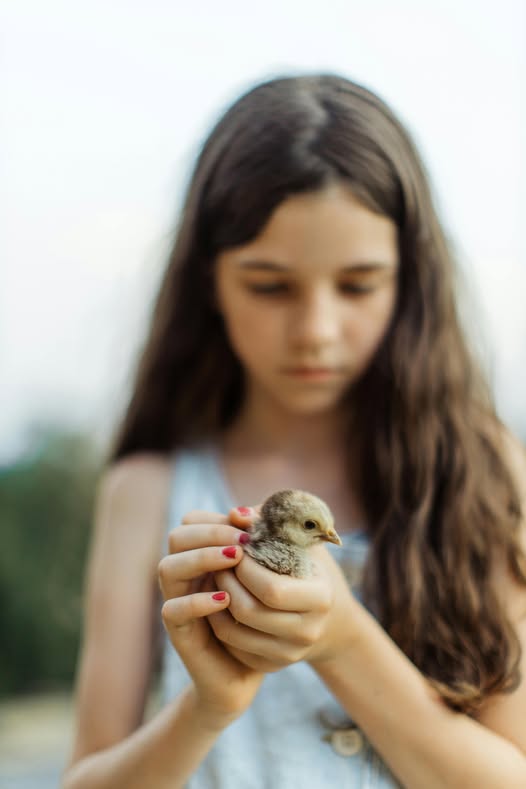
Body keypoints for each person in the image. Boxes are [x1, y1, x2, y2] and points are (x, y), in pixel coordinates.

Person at [62, 74, 526, 789]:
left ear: (410, 283)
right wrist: (209, 707)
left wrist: (343, 639)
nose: (315, 331)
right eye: (269, 285)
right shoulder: (146, 490)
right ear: (207, 280)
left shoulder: (483, 473)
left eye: (359, 284)